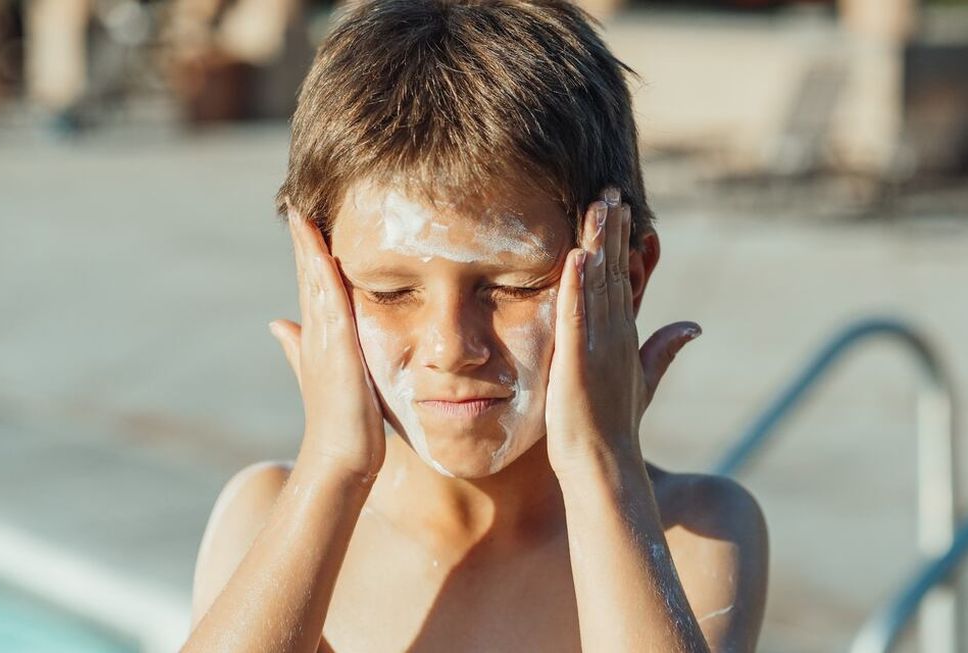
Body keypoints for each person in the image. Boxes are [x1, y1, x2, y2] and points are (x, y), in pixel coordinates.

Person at [182, 0, 769, 650]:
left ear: (624, 282)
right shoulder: (269, 517)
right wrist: (334, 465)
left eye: (511, 286)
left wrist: (602, 470)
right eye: (390, 290)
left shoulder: (692, 532)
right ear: (319, 287)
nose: (450, 346)